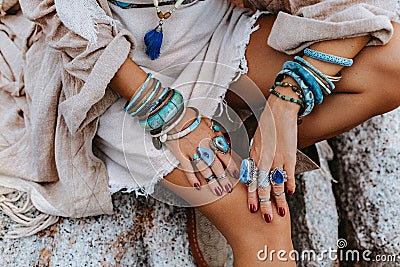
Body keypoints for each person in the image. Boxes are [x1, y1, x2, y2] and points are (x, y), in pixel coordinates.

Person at [0, 0, 398, 265]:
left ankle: (249, 149)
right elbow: (66, 23)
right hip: (117, 72)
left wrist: (285, 103)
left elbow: (361, 6)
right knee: (266, 229)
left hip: (213, 32)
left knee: (392, 63)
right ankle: (227, 176)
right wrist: (172, 119)